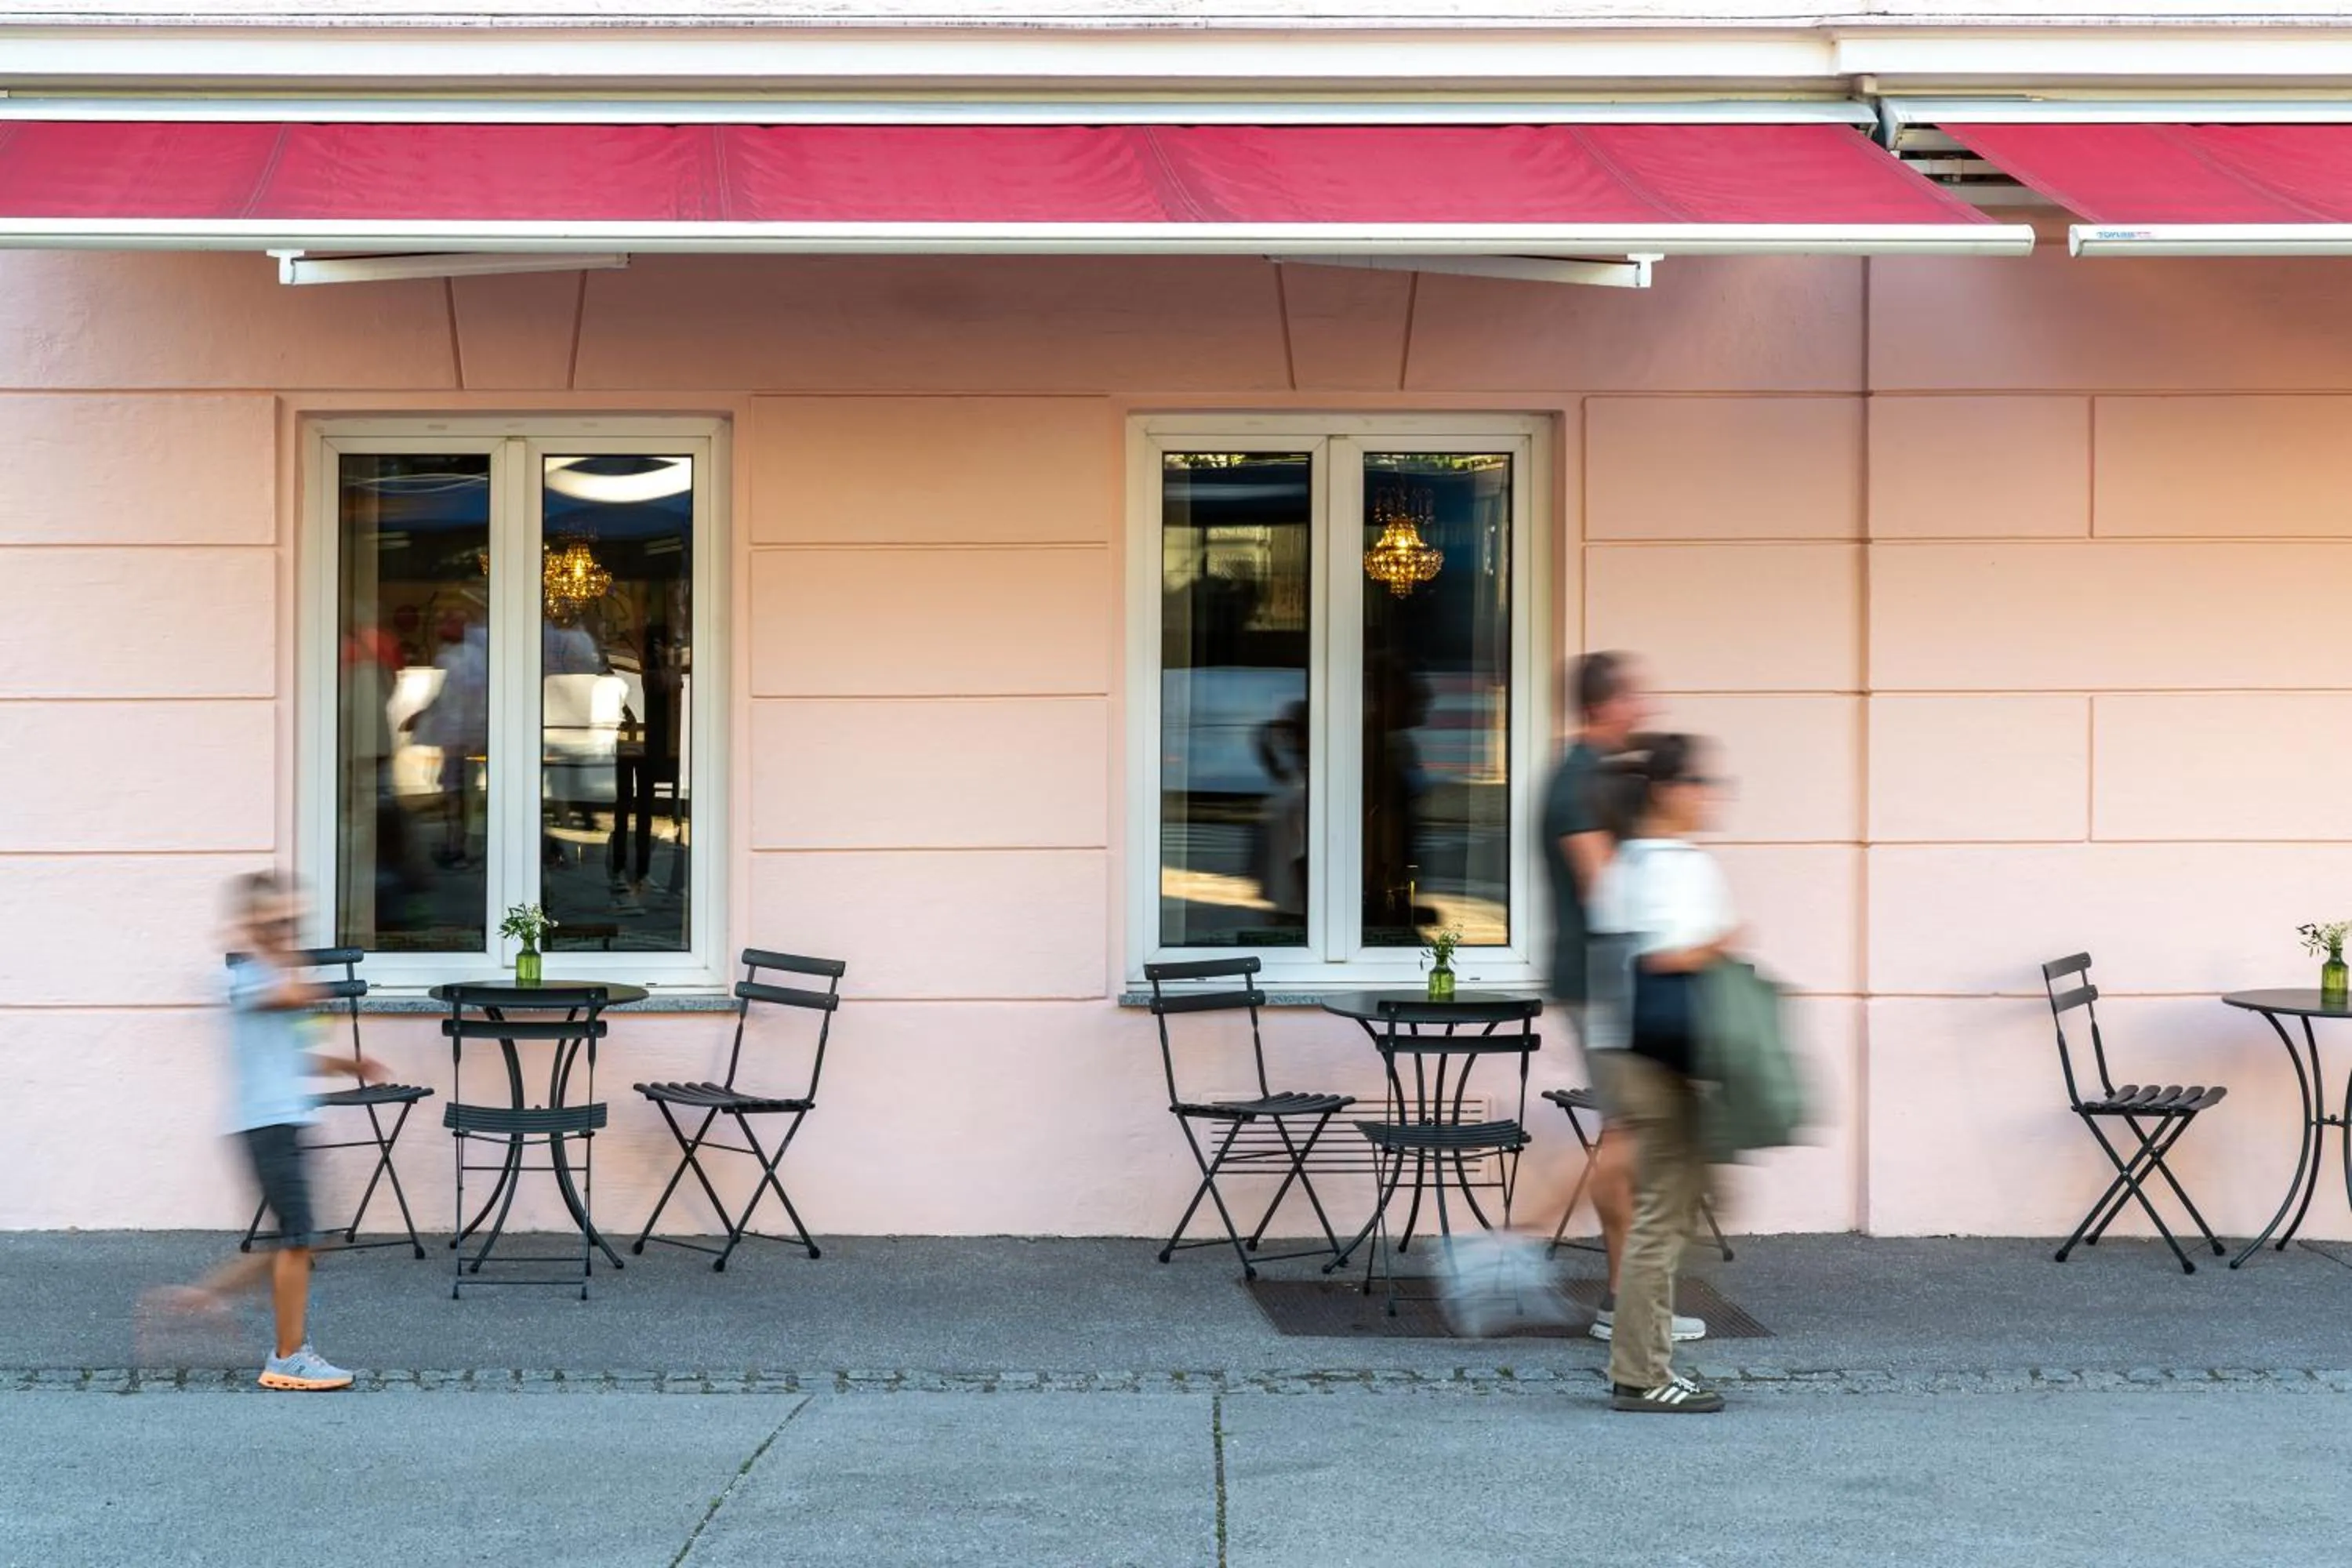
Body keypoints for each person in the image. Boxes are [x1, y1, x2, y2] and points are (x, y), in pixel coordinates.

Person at [142, 873, 387, 1392]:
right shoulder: (248, 978)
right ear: (254, 922)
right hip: (266, 1125)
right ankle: (288, 1356)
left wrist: (344, 1063)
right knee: (298, 1240)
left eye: (292, 919)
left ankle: (200, 1299)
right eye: (278, 919)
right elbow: (297, 993)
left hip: (286, 1120)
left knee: (301, 1241)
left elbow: (287, 1052)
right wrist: (275, 945)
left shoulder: (267, 976)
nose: (288, 928)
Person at [1538, 652, 1706, 1347]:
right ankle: (1520, 1247)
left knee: (1629, 1134)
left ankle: (1624, 1299)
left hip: (1614, 981)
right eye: (1637, 696)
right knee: (1631, 1137)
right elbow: (1606, 892)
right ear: (1605, 705)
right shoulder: (1577, 784)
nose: (1647, 707)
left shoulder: (1600, 777)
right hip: (1603, 982)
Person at [1588, 734, 1738, 1414]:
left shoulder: (1630, 862)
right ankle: (1641, 1373)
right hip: (1660, 1054)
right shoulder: (1673, 866)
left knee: (1672, 1206)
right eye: (1701, 781)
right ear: (1668, 790)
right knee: (1663, 1215)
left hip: (1630, 1048)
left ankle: (1640, 1362)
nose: (1712, 794)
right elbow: (1667, 960)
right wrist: (1722, 945)